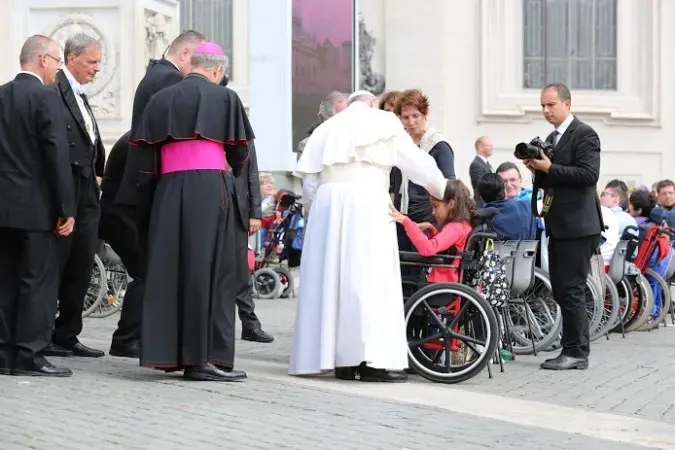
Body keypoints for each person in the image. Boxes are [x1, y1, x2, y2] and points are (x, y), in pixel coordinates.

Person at [289, 90, 446, 382]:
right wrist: (444, 191)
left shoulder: (327, 129)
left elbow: (309, 183)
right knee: (370, 281)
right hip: (368, 203)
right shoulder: (383, 123)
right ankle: (371, 361)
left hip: (328, 206)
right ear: (372, 104)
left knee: (333, 282)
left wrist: (320, 212)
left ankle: (342, 362)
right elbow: (417, 164)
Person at [129, 41, 253, 381]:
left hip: (168, 192)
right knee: (212, 272)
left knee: (172, 270)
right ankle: (203, 360)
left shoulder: (161, 99)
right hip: (210, 191)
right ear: (217, 70)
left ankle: (168, 354)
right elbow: (241, 156)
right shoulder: (225, 98)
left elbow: (143, 160)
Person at [104, 30, 206, 358]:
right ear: (186, 53)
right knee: (148, 270)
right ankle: (126, 339)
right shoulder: (167, 80)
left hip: (128, 199)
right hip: (129, 203)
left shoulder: (157, 78)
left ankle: (132, 337)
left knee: (148, 270)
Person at [0, 35, 76, 376]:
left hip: (3, 209)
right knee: (38, 283)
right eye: (58, 62)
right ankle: (30, 356)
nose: (58, 69)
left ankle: (3, 356)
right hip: (37, 210)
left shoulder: (0, 95)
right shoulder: (46, 98)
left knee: (5, 281)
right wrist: (67, 207)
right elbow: (56, 156)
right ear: (43, 59)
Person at [524, 82, 603, 371]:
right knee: (562, 288)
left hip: (578, 226)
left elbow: (588, 174)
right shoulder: (552, 138)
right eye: (542, 105)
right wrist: (538, 171)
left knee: (570, 289)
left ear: (567, 104)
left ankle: (576, 352)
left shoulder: (584, 134)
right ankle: (572, 345)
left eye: (551, 104)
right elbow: (555, 181)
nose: (545, 110)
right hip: (560, 224)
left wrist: (550, 169)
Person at [47, 33, 106, 359]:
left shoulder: (79, 93)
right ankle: (46, 334)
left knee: (82, 264)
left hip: (87, 190)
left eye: (99, 63)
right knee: (59, 263)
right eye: (92, 62)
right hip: (67, 188)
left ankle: (68, 334)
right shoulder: (54, 90)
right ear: (71, 59)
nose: (97, 69)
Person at [230, 141, 274, 343]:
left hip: (237, 211)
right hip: (211, 204)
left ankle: (250, 325)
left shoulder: (243, 133)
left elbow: (252, 175)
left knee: (242, 271)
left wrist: (255, 213)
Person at [390, 180, 474, 283]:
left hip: (440, 286)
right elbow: (449, 247)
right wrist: (431, 228)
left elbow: (428, 249)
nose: (433, 212)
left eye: (436, 206)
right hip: (447, 284)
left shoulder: (455, 228)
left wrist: (406, 222)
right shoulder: (463, 225)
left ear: (451, 204)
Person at [476, 173, 537, 241]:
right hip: (529, 250)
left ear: (481, 198)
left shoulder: (481, 221)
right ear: (505, 191)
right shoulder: (528, 206)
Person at [469, 136, 494, 207]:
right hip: (483, 204)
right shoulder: (476, 164)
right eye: (489, 146)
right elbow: (481, 186)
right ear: (480, 147)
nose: (492, 148)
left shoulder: (486, 164)